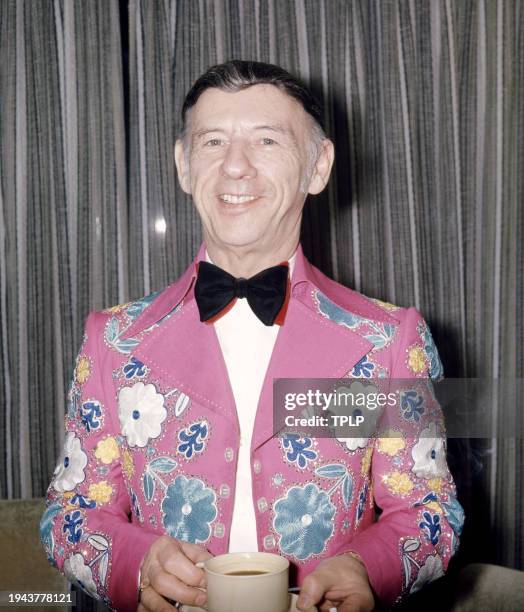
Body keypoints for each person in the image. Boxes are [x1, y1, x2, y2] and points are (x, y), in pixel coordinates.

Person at [40, 60, 464, 612]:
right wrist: (135, 563)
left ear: (319, 166)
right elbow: (69, 513)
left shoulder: (386, 340)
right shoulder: (113, 341)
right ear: (184, 166)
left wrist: (368, 568)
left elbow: (430, 512)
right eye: (212, 141)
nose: (235, 166)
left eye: (266, 140)